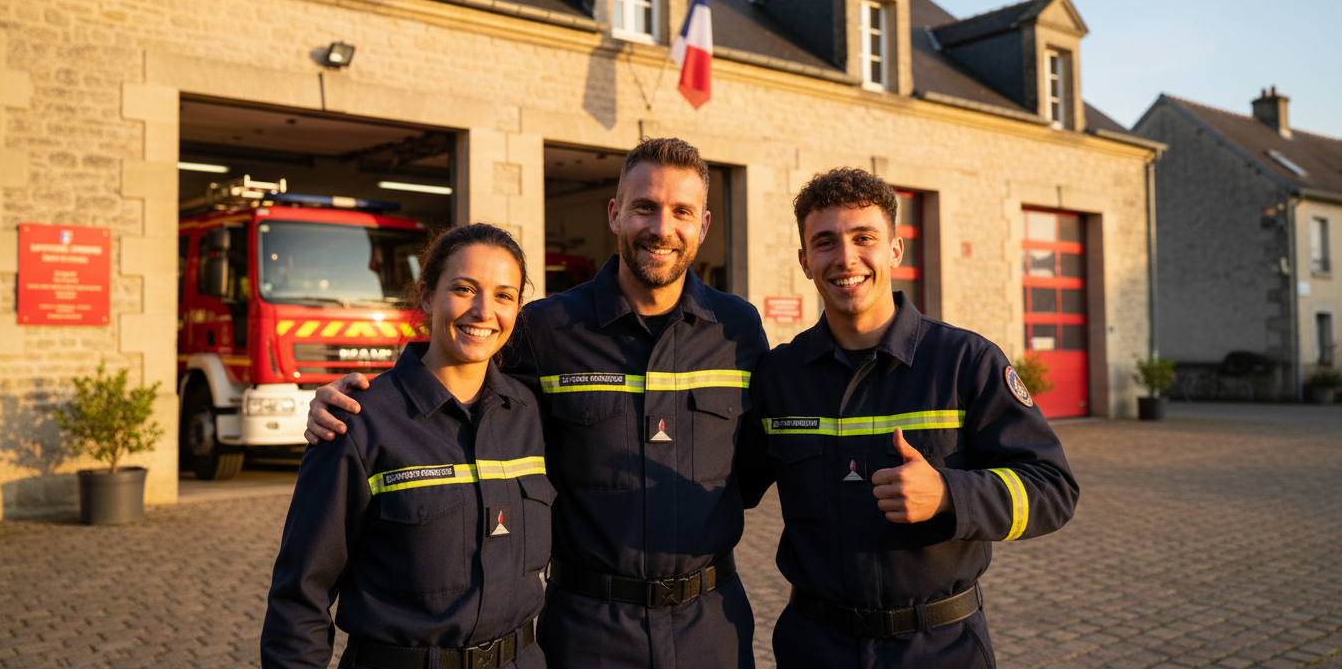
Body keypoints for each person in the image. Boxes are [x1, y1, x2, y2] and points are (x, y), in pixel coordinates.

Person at [305, 138, 771, 669]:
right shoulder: (546, 330)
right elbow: (459, 380)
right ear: (616, 213)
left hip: (710, 629)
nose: (662, 228)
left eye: (681, 211)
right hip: (585, 634)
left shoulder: (739, 330)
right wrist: (364, 398)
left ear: (704, 225)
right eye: (644, 207)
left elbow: (754, 469)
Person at [738, 167, 1079, 669]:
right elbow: (724, 484)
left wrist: (949, 493)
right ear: (805, 261)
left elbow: (1053, 488)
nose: (846, 258)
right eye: (826, 242)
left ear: (895, 250)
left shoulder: (966, 362)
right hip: (814, 647)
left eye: (864, 238)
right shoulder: (779, 375)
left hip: (940, 647)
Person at [262, 224, 552, 669]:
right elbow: (302, 595)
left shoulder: (531, 413)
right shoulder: (358, 422)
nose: (483, 311)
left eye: (504, 295)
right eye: (464, 288)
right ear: (426, 295)